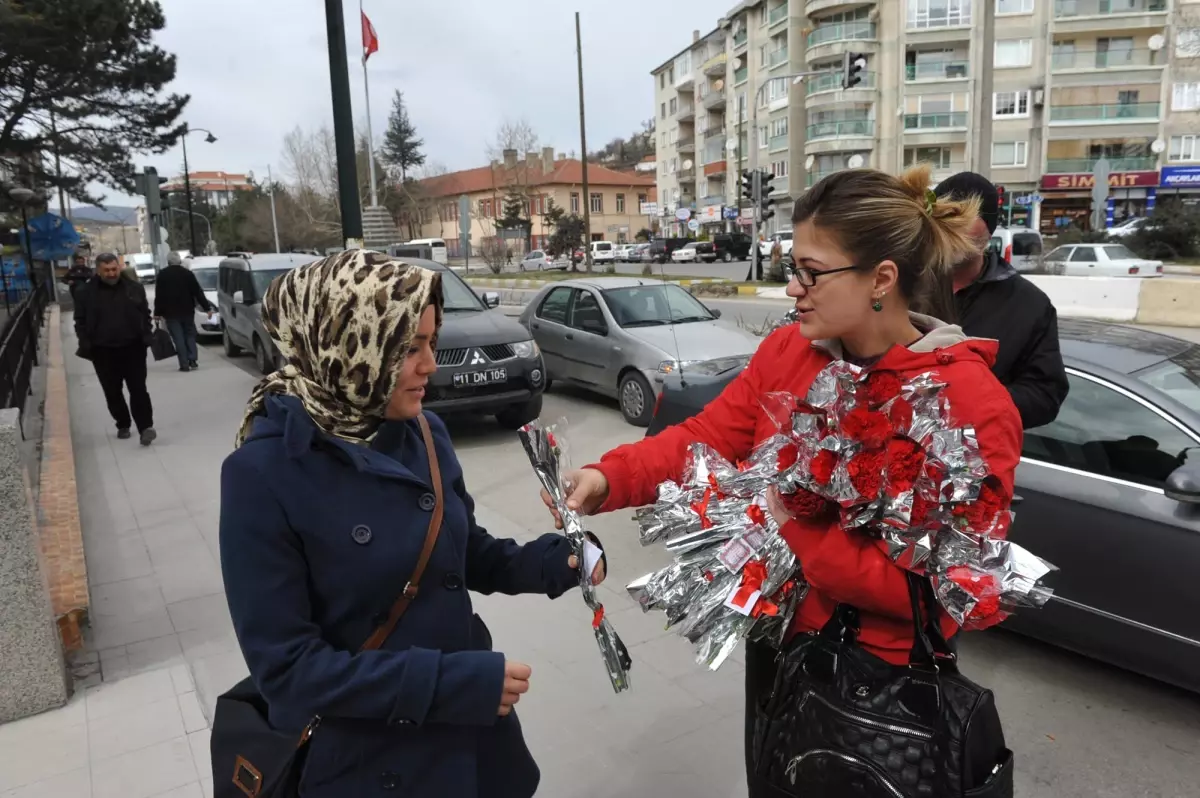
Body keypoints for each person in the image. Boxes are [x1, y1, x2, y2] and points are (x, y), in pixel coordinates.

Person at [542, 165, 1023, 796]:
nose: (792, 288)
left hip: (882, 682)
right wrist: (608, 478)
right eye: (789, 267)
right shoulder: (790, 353)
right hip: (782, 647)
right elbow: (709, 437)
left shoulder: (968, 402)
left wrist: (792, 524)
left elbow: (941, 589)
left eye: (810, 272)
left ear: (882, 278)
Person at [218, 250, 605, 798]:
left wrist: (551, 561)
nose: (431, 364)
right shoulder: (261, 474)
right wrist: (449, 684)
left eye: (431, 341)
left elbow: (461, 550)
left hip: (472, 743)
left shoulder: (424, 433)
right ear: (345, 346)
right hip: (370, 761)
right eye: (409, 348)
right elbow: (287, 672)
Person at [934, 172, 1069, 429]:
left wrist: (978, 400)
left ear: (988, 228)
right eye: (944, 217)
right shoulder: (903, 286)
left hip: (980, 458)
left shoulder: (1029, 304)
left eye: (964, 217)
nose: (952, 228)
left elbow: (1046, 395)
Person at [73, 253, 156, 445]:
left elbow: (145, 313)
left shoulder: (133, 288)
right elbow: (80, 320)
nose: (111, 273)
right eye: (107, 270)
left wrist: (146, 334)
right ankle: (123, 423)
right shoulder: (85, 292)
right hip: (103, 351)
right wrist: (85, 341)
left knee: (138, 389)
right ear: (98, 271)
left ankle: (145, 427)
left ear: (119, 267)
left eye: (114, 269)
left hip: (133, 348)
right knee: (112, 391)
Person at [153, 251, 215, 371]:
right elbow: (197, 292)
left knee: (178, 337)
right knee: (190, 335)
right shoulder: (188, 274)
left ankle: (184, 363)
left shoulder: (163, 275)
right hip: (187, 311)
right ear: (179, 261)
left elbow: (159, 295)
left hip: (170, 313)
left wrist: (157, 313)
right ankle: (192, 359)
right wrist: (207, 308)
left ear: (168, 262)